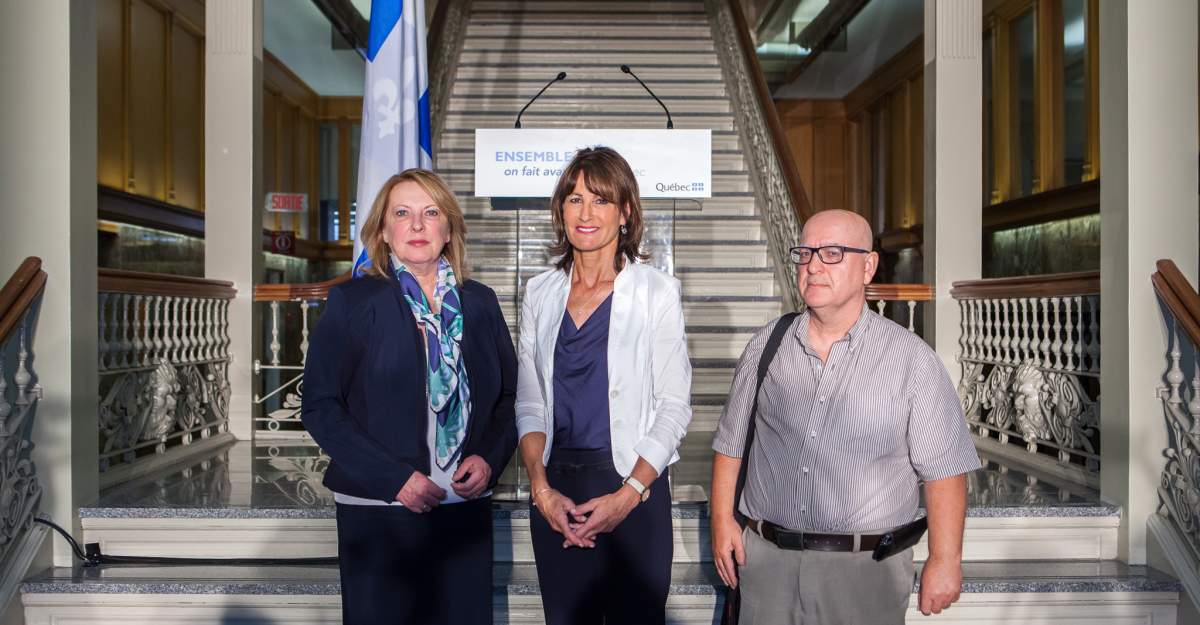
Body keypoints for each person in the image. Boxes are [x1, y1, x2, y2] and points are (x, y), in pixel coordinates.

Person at [710, 209, 981, 625]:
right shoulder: (767, 346)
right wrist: (721, 521)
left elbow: (945, 472)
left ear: (868, 266)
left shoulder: (912, 361)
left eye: (832, 253)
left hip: (863, 573)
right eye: (805, 253)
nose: (814, 266)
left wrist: (946, 560)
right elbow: (731, 445)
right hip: (766, 565)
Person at [302, 169, 517, 625]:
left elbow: (508, 397)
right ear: (383, 230)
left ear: (449, 228)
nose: (417, 226)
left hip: (463, 509)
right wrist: (393, 478)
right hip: (379, 511)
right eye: (403, 213)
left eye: (430, 213)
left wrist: (489, 459)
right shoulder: (352, 303)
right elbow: (320, 405)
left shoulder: (480, 302)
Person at [515, 146, 693, 625]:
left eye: (600, 200)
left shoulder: (656, 292)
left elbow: (675, 406)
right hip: (557, 497)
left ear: (625, 211)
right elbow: (530, 403)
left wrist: (628, 494)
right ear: (561, 211)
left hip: (632, 489)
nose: (586, 213)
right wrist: (541, 490)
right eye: (574, 200)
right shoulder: (539, 292)